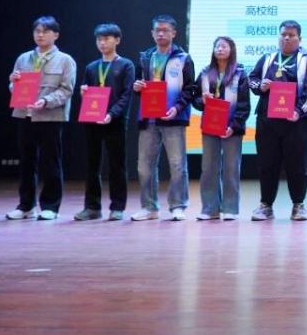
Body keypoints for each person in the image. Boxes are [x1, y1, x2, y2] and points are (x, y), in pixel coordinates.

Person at [248, 20, 307, 221]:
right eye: (283, 35)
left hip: (296, 122)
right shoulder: (268, 58)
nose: (286, 38)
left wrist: (299, 111)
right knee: (267, 164)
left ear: (299, 38)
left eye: (291, 35)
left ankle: (298, 205)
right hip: (267, 120)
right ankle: (266, 205)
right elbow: (251, 79)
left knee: (297, 165)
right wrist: (260, 86)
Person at [6, 16, 77, 221]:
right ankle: (26, 206)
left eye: (45, 31)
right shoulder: (23, 58)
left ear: (56, 35)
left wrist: (46, 101)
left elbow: (67, 90)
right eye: (37, 31)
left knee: (50, 162)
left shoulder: (65, 60)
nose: (40, 35)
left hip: (50, 116)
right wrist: (12, 83)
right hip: (24, 114)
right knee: (26, 162)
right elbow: (14, 87)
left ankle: (50, 207)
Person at [132, 14, 196, 221]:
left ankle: (178, 206)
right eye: (157, 30)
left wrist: (177, 108)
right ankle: (149, 207)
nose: (161, 33)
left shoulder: (183, 58)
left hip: (173, 118)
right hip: (148, 118)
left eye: (165, 30)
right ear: (152, 33)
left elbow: (190, 89)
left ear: (174, 33)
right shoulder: (145, 57)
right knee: (144, 166)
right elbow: (139, 85)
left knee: (177, 165)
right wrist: (136, 86)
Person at [74, 23, 135, 221]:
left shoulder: (126, 65)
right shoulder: (92, 67)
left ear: (117, 40)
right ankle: (92, 207)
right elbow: (86, 92)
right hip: (92, 120)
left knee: (117, 165)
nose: (102, 43)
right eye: (99, 39)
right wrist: (83, 93)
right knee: (92, 164)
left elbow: (126, 96)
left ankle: (117, 207)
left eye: (107, 39)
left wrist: (111, 113)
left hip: (115, 121)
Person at [192, 36, 250, 221]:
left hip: (232, 128)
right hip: (210, 126)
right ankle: (210, 209)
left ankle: (230, 209)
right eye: (217, 46)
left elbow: (244, 105)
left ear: (231, 50)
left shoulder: (240, 73)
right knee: (209, 168)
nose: (220, 49)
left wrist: (234, 126)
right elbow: (195, 99)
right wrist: (203, 100)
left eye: (224, 46)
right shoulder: (205, 73)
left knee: (231, 169)